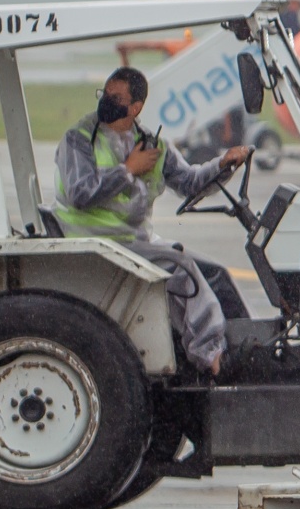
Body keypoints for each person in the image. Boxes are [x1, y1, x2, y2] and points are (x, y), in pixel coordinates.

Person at [54, 67, 251, 376]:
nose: (107, 101)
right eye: (105, 95)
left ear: (136, 107)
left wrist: (223, 165)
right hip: (94, 240)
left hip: (135, 240)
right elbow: (80, 192)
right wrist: (127, 170)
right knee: (182, 270)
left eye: (116, 97)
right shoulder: (79, 139)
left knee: (216, 274)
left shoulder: (152, 145)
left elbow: (189, 181)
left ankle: (245, 348)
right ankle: (211, 359)